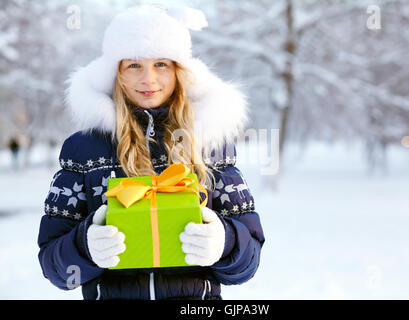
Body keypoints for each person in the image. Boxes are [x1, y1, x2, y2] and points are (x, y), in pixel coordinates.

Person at [37, 4, 264, 300]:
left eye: (161, 64)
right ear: (116, 73)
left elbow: (249, 262)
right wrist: (85, 246)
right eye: (134, 65)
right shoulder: (84, 149)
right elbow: (54, 265)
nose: (148, 80)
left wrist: (225, 242)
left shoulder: (210, 142)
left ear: (179, 70)